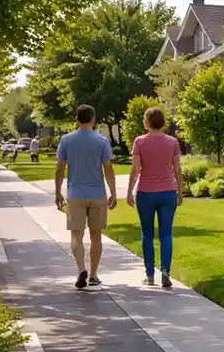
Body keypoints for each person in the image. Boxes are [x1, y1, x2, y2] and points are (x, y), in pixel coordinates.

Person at [55, 105, 118, 289]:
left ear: (77, 119)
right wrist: (113, 192)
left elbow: (60, 168)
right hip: (97, 194)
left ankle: (81, 268)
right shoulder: (102, 141)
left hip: (75, 194)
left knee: (76, 235)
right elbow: (108, 168)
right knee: (96, 236)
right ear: (93, 119)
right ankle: (93, 275)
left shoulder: (66, 140)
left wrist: (57, 191)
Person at [125, 106, 183, 288]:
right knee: (166, 234)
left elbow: (135, 170)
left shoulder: (140, 142)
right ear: (163, 122)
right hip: (167, 192)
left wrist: (128, 191)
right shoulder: (172, 142)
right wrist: (180, 191)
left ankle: (150, 275)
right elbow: (177, 169)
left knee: (147, 234)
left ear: (147, 122)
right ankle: (165, 271)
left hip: (145, 193)